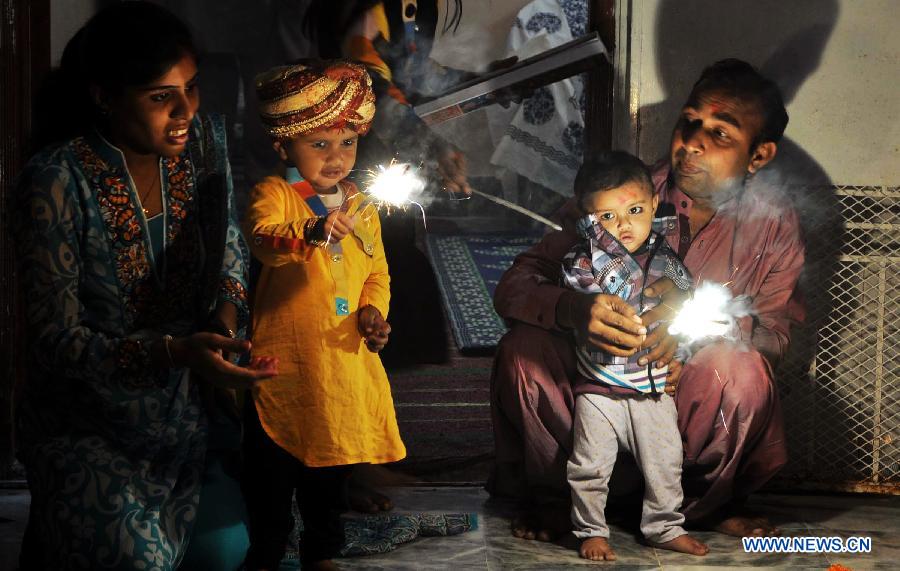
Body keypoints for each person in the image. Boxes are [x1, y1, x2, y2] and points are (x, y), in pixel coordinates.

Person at [489, 59, 805, 541]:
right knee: (522, 351)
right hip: (596, 390)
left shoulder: (774, 227)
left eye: (721, 134)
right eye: (690, 121)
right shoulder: (620, 193)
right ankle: (561, 502)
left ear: (759, 156)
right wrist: (573, 310)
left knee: (742, 371)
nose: (693, 141)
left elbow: (777, 339)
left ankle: (699, 508)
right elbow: (515, 286)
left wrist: (697, 330)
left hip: (681, 402)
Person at [13, 3, 279, 570]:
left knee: (234, 547)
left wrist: (222, 328)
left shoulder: (203, 143)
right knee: (139, 559)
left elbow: (229, 245)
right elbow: (54, 342)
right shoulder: (57, 181)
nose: (186, 111)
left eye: (191, 88)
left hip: (188, 407)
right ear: (106, 97)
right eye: (161, 97)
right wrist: (172, 352)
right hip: (88, 420)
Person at [242, 60, 405, 571]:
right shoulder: (276, 195)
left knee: (329, 471)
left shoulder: (364, 205)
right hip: (283, 365)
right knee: (271, 474)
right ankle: (266, 554)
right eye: (320, 144)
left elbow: (376, 271)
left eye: (348, 143)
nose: (337, 158)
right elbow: (263, 242)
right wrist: (312, 233)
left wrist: (372, 311)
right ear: (284, 145)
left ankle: (322, 554)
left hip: (340, 367)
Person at [560, 152, 707, 560]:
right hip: (600, 387)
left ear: (654, 206)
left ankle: (664, 526)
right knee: (589, 464)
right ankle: (590, 530)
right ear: (586, 218)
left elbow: (686, 305)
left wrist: (679, 330)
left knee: (666, 460)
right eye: (607, 217)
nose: (624, 225)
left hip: (653, 383)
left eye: (636, 210)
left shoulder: (667, 260)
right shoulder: (581, 260)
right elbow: (591, 300)